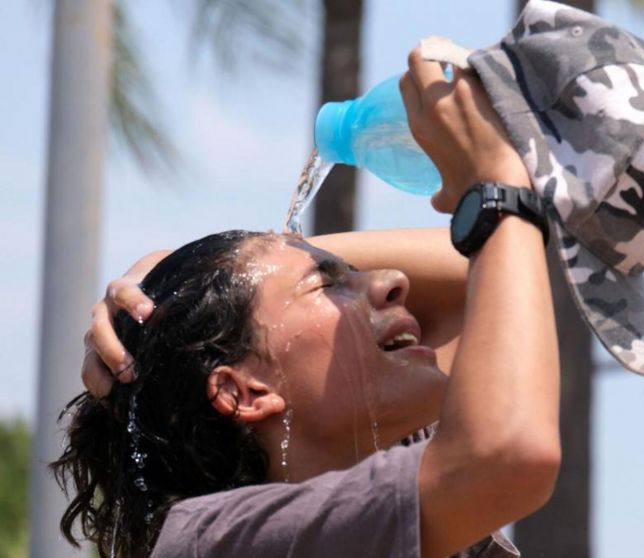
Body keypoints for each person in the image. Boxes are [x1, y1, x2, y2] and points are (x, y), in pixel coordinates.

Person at [56, 47, 558, 558]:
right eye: (328, 285)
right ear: (242, 392)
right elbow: (510, 451)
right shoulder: (217, 541)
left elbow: (499, 269)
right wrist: (497, 183)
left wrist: (190, 263)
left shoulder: (377, 484)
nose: (394, 282)